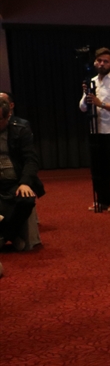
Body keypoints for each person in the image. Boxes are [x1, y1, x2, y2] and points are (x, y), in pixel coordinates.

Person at [79, 47, 110, 213]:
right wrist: (86, 96)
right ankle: (103, 199)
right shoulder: (91, 81)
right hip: (95, 130)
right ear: (95, 62)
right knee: (99, 169)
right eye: (99, 61)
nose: (101, 64)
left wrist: (100, 103)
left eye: (105, 61)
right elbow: (82, 107)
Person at [0, 95, 44, 250]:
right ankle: (11, 236)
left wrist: (25, 182)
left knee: (26, 200)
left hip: (15, 181)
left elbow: (31, 160)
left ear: (8, 116)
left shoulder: (21, 128)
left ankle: (5, 236)